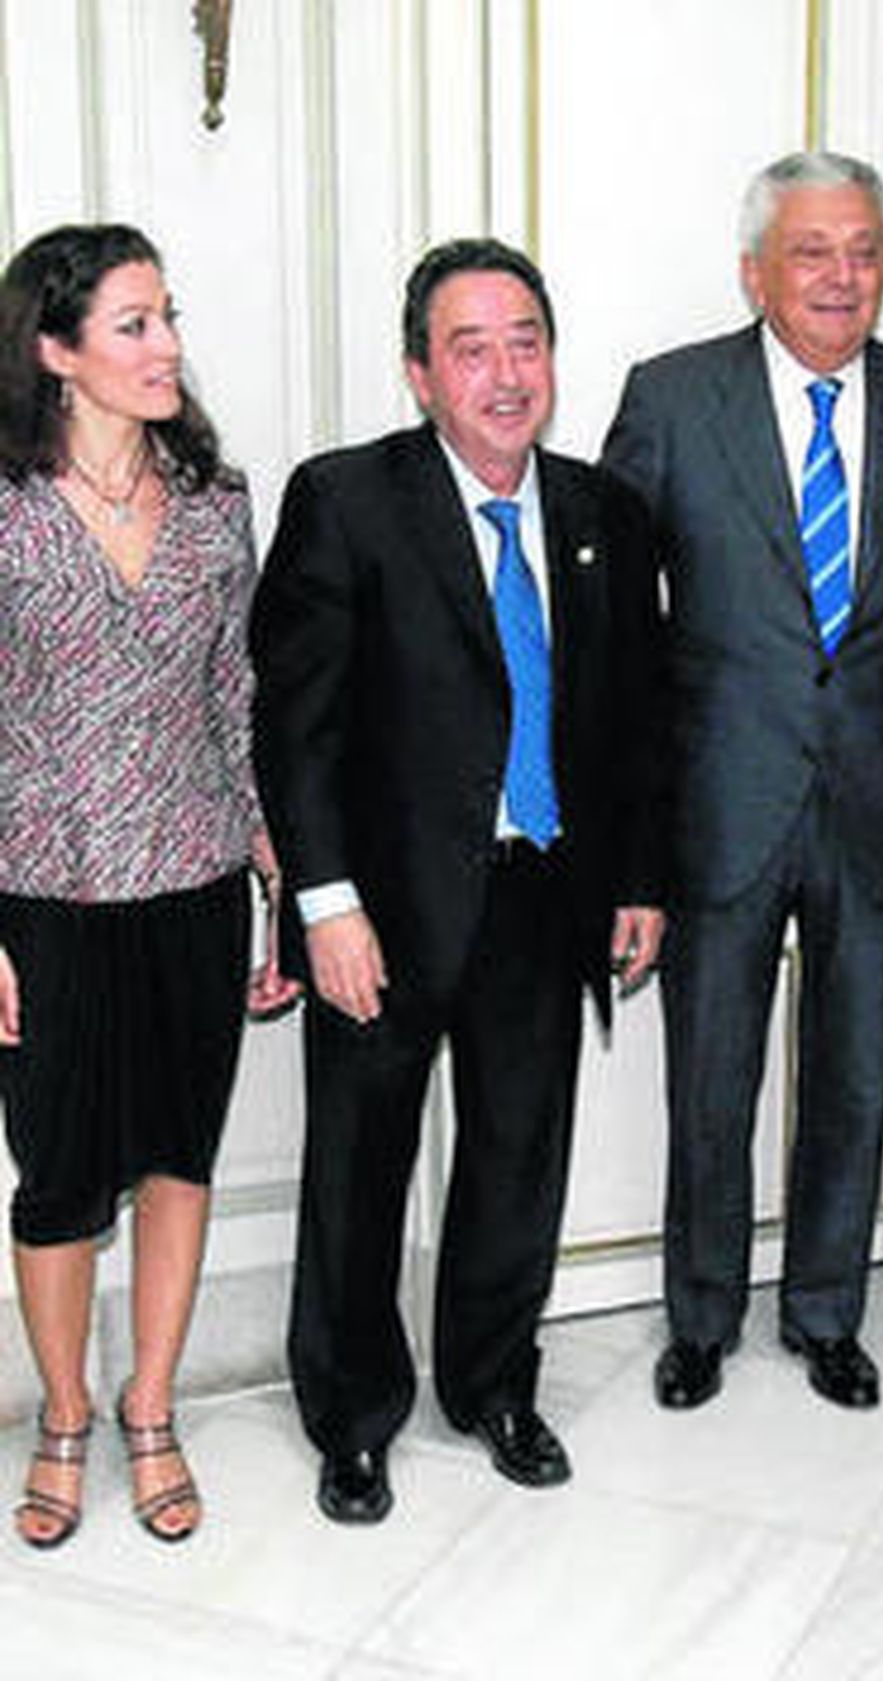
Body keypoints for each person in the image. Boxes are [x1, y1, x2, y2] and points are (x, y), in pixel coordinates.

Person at [250, 239, 664, 1525]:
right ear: (420, 371)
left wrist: (640, 879)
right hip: (379, 909)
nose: (504, 373)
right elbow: (295, 726)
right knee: (359, 1167)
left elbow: (635, 720)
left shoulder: (604, 513)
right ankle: (353, 1415)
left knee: (517, 1159)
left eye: (525, 341)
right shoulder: (347, 499)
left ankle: (492, 1383)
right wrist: (323, 902)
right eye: (471, 348)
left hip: (545, 893)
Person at [602, 152, 883, 1412]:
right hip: (718, 805)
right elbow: (615, 631)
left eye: (864, 249)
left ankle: (828, 1310)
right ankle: (701, 1314)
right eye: (812, 251)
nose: (841, 276)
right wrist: (635, 837)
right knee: (711, 1075)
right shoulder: (670, 399)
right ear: (755, 269)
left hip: (875, 805)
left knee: (855, 1070)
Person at [0, 223, 296, 1549]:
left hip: (193, 881)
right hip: (41, 897)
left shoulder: (219, 502)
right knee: (61, 1178)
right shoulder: (2, 514)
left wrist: (278, 872)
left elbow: (239, 695)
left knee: (179, 1156)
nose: (166, 343)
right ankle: (63, 1413)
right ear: (55, 351)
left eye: (166, 315)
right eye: (132, 323)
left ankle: (152, 1402)